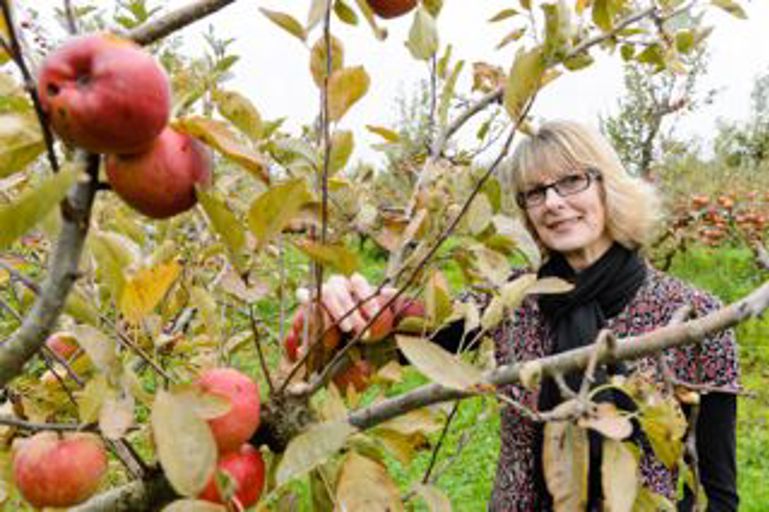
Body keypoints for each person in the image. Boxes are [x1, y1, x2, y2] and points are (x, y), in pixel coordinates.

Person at [287, 120, 740, 511]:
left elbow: (717, 492)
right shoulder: (515, 301)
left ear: (608, 186)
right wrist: (345, 301)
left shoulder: (696, 319)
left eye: (571, 182)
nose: (553, 202)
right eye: (535, 193)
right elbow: (407, 323)